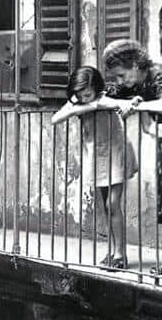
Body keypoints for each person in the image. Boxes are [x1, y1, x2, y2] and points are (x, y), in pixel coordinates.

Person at [52, 66, 139, 269]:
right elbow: (55, 119)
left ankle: (120, 254)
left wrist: (129, 104)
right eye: (81, 95)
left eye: (88, 94)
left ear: (96, 88)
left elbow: (118, 103)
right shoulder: (78, 101)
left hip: (116, 152)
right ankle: (113, 250)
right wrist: (83, 107)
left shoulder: (104, 98)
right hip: (98, 157)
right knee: (105, 206)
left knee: (113, 203)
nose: (84, 98)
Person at [103, 39, 162, 274]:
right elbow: (104, 95)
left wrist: (137, 107)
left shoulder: (161, 74)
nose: (119, 81)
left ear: (135, 64)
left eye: (121, 75)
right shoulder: (134, 82)